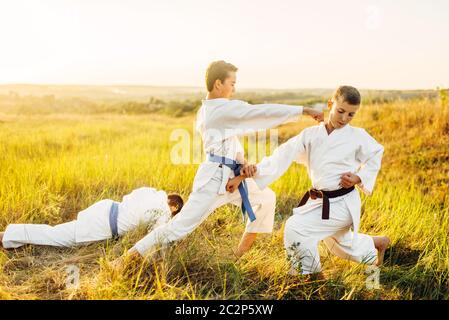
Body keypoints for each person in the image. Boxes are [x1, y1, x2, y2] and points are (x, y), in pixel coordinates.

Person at [124, 60, 324, 260]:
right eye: (232, 83)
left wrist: (243, 163)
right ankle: (125, 259)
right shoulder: (218, 110)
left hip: (231, 177)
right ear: (218, 83)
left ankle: (237, 256)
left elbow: (230, 140)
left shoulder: (211, 109)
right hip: (213, 180)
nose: (234, 89)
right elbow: (260, 112)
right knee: (179, 227)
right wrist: (304, 111)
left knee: (266, 198)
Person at [233, 85, 390, 277]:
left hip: (342, 203)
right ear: (330, 104)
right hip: (320, 202)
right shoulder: (311, 135)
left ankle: (311, 278)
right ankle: (377, 245)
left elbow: (376, 153)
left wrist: (359, 177)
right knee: (339, 245)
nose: (344, 118)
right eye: (340, 111)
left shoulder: (357, 136)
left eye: (351, 115)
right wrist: (256, 169)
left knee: (296, 228)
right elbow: (283, 154)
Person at [0, 187, 183, 249]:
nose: (172, 215)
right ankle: (6, 236)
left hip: (105, 207)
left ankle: (11, 239)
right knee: (55, 236)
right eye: (175, 212)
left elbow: (128, 199)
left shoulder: (151, 191)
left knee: (60, 232)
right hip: (103, 224)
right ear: (174, 206)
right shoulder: (164, 213)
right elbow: (153, 237)